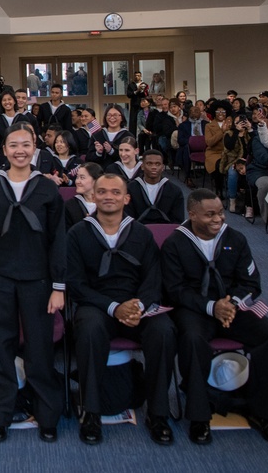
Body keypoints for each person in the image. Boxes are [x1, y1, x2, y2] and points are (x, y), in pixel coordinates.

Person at [0, 123, 66, 444]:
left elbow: (57, 240)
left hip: (38, 281)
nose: (20, 150)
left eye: (26, 144)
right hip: (0, 278)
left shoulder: (47, 188)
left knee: (39, 349)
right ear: (3, 151)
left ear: (35, 148)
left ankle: (47, 416)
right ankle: (0, 415)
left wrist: (59, 287)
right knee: (2, 349)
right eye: (13, 145)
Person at [161, 189, 268, 446]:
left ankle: (264, 412)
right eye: (209, 215)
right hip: (196, 309)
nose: (218, 219)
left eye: (220, 213)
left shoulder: (236, 239)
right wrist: (211, 307)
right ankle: (199, 415)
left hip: (232, 308)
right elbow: (175, 290)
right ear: (192, 214)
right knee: (193, 339)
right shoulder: (175, 243)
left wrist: (230, 304)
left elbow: (251, 282)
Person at [68, 174, 176, 446]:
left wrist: (138, 305)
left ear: (126, 198)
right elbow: (75, 284)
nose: (108, 196)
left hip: (137, 306)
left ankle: (158, 413)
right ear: (93, 197)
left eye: (115, 192)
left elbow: (154, 278)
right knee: (90, 329)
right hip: (97, 304)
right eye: (101, 191)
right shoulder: (78, 233)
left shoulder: (141, 233)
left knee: (164, 330)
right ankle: (91, 411)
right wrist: (114, 308)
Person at [126, 150, 185, 224]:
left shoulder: (175, 191)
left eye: (157, 164)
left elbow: (177, 221)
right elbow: (127, 217)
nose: (154, 167)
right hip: (138, 231)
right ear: (142, 166)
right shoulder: (130, 189)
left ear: (163, 167)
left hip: (165, 232)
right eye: (149, 164)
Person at [204, 102, 233, 197]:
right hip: (214, 153)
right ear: (214, 112)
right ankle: (218, 189)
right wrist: (221, 131)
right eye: (218, 111)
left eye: (223, 111)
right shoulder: (209, 126)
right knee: (219, 164)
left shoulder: (231, 124)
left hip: (229, 152)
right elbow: (209, 142)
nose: (221, 113)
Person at [65, 162, 103, 229]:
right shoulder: (70, 205)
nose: (77, 181)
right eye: (77, 177)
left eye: (82, 178)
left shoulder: (108, 203)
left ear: (96, 180)